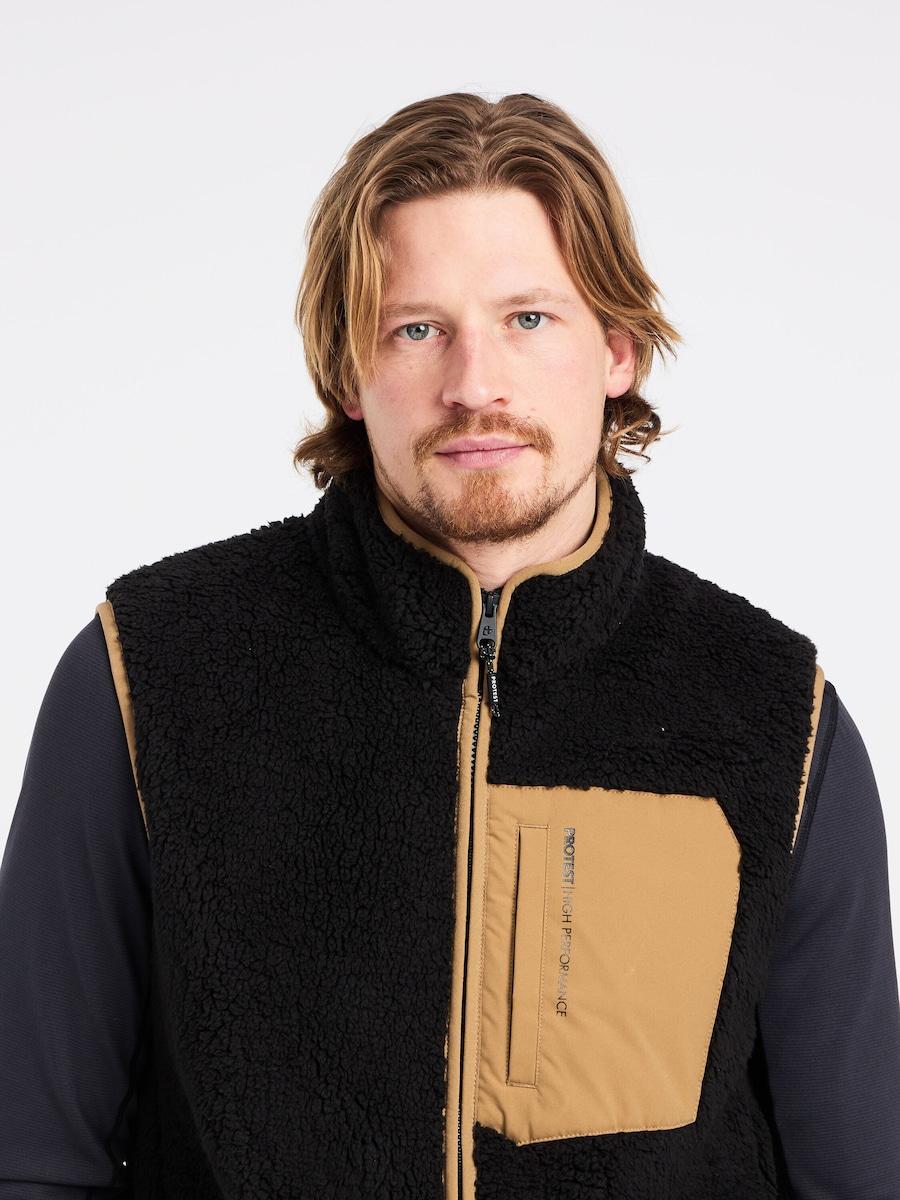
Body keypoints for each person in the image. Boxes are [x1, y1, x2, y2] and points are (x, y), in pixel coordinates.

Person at [2, 90, 899, 1200]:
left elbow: (859, 1178)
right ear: (347, 370)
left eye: (530, 319)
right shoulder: (148, 674)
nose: (476, 384)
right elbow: (30, 1160)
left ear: (617, 349)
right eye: (416, 329)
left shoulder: (776, 719)